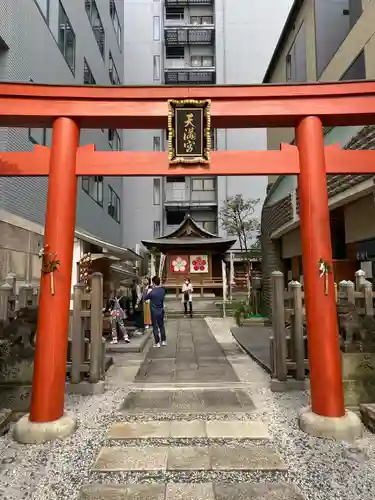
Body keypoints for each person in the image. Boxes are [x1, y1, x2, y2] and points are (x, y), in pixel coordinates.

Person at [147, 275, 166, 348]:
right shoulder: (163, 290)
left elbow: (145, 297)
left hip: (154, 310)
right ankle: (163, 341)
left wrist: (148, 290)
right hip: (161, 309)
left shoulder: (152, 291)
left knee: (155, 326)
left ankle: (157, 342)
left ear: (153, 283)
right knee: (161, 325)